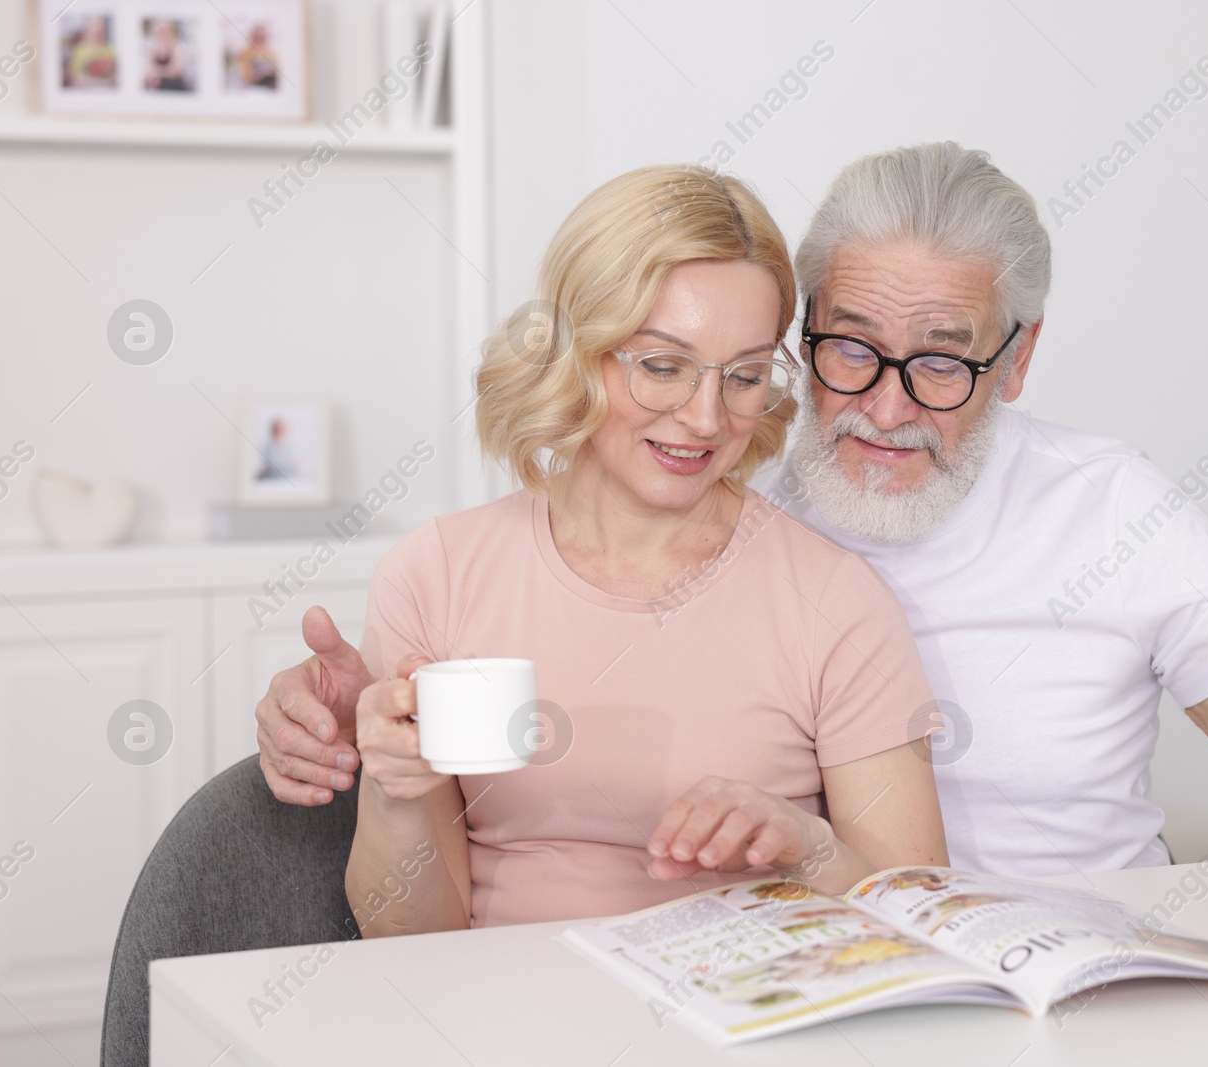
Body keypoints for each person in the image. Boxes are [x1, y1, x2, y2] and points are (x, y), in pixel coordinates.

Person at [257, 144, 1208, 880]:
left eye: (945, 360)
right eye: (846, 349)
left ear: (1017, 362)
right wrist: (330, 726)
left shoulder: (1111, 515)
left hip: (1071, 976)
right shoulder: (720, 473)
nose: (883, 409)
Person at [332, 165, 946, 933]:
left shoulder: (835, 601)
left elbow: (924, 920)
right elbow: (409, 941)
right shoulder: (437, 574)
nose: (705, 416)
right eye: (662, 366)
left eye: (746, 376)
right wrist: (394, 792)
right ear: (575, 351)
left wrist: (807, 846)